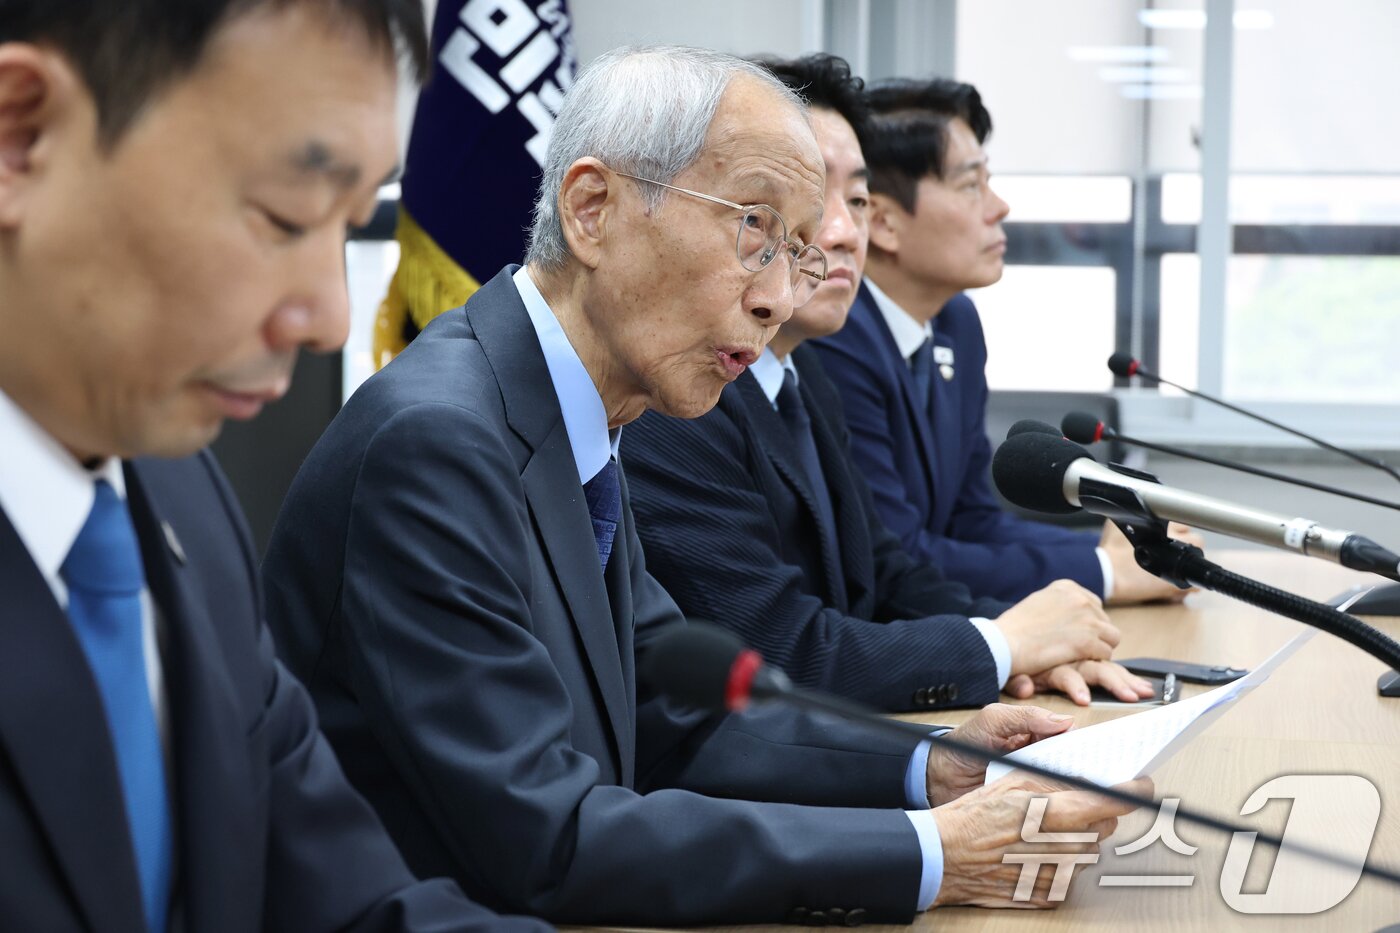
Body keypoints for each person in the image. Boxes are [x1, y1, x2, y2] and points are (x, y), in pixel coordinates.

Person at [262, 46, 1146, 925]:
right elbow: (549, 836)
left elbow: (677, 721)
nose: (776, 297)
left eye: (796, 253)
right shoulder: (437, 446)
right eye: (754, 229)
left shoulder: (588, 413)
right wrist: (932, 853)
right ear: (593, 209)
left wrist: (928, 767)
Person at [0, 2, 550, 930]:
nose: (333, 317)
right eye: (283, 215)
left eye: (347, 222)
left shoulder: (176, 498)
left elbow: (354, 902)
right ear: (22, 136)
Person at [622, 54, 1154, 712]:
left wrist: (1020, 644)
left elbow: (885, 571)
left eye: (856, 200)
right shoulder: (677, 397)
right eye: (801, 203)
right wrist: (1000, 645)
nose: (841, 234)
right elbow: (783, 649)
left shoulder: (802, 370)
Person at [811, 78, 1202, 605]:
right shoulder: (834, 335)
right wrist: (1103, 571)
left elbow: (971, 520)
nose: (1000, 207)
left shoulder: (955, 322)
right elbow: (898, 555)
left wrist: (1126, 551)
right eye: (971, 185)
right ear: (881, 221)